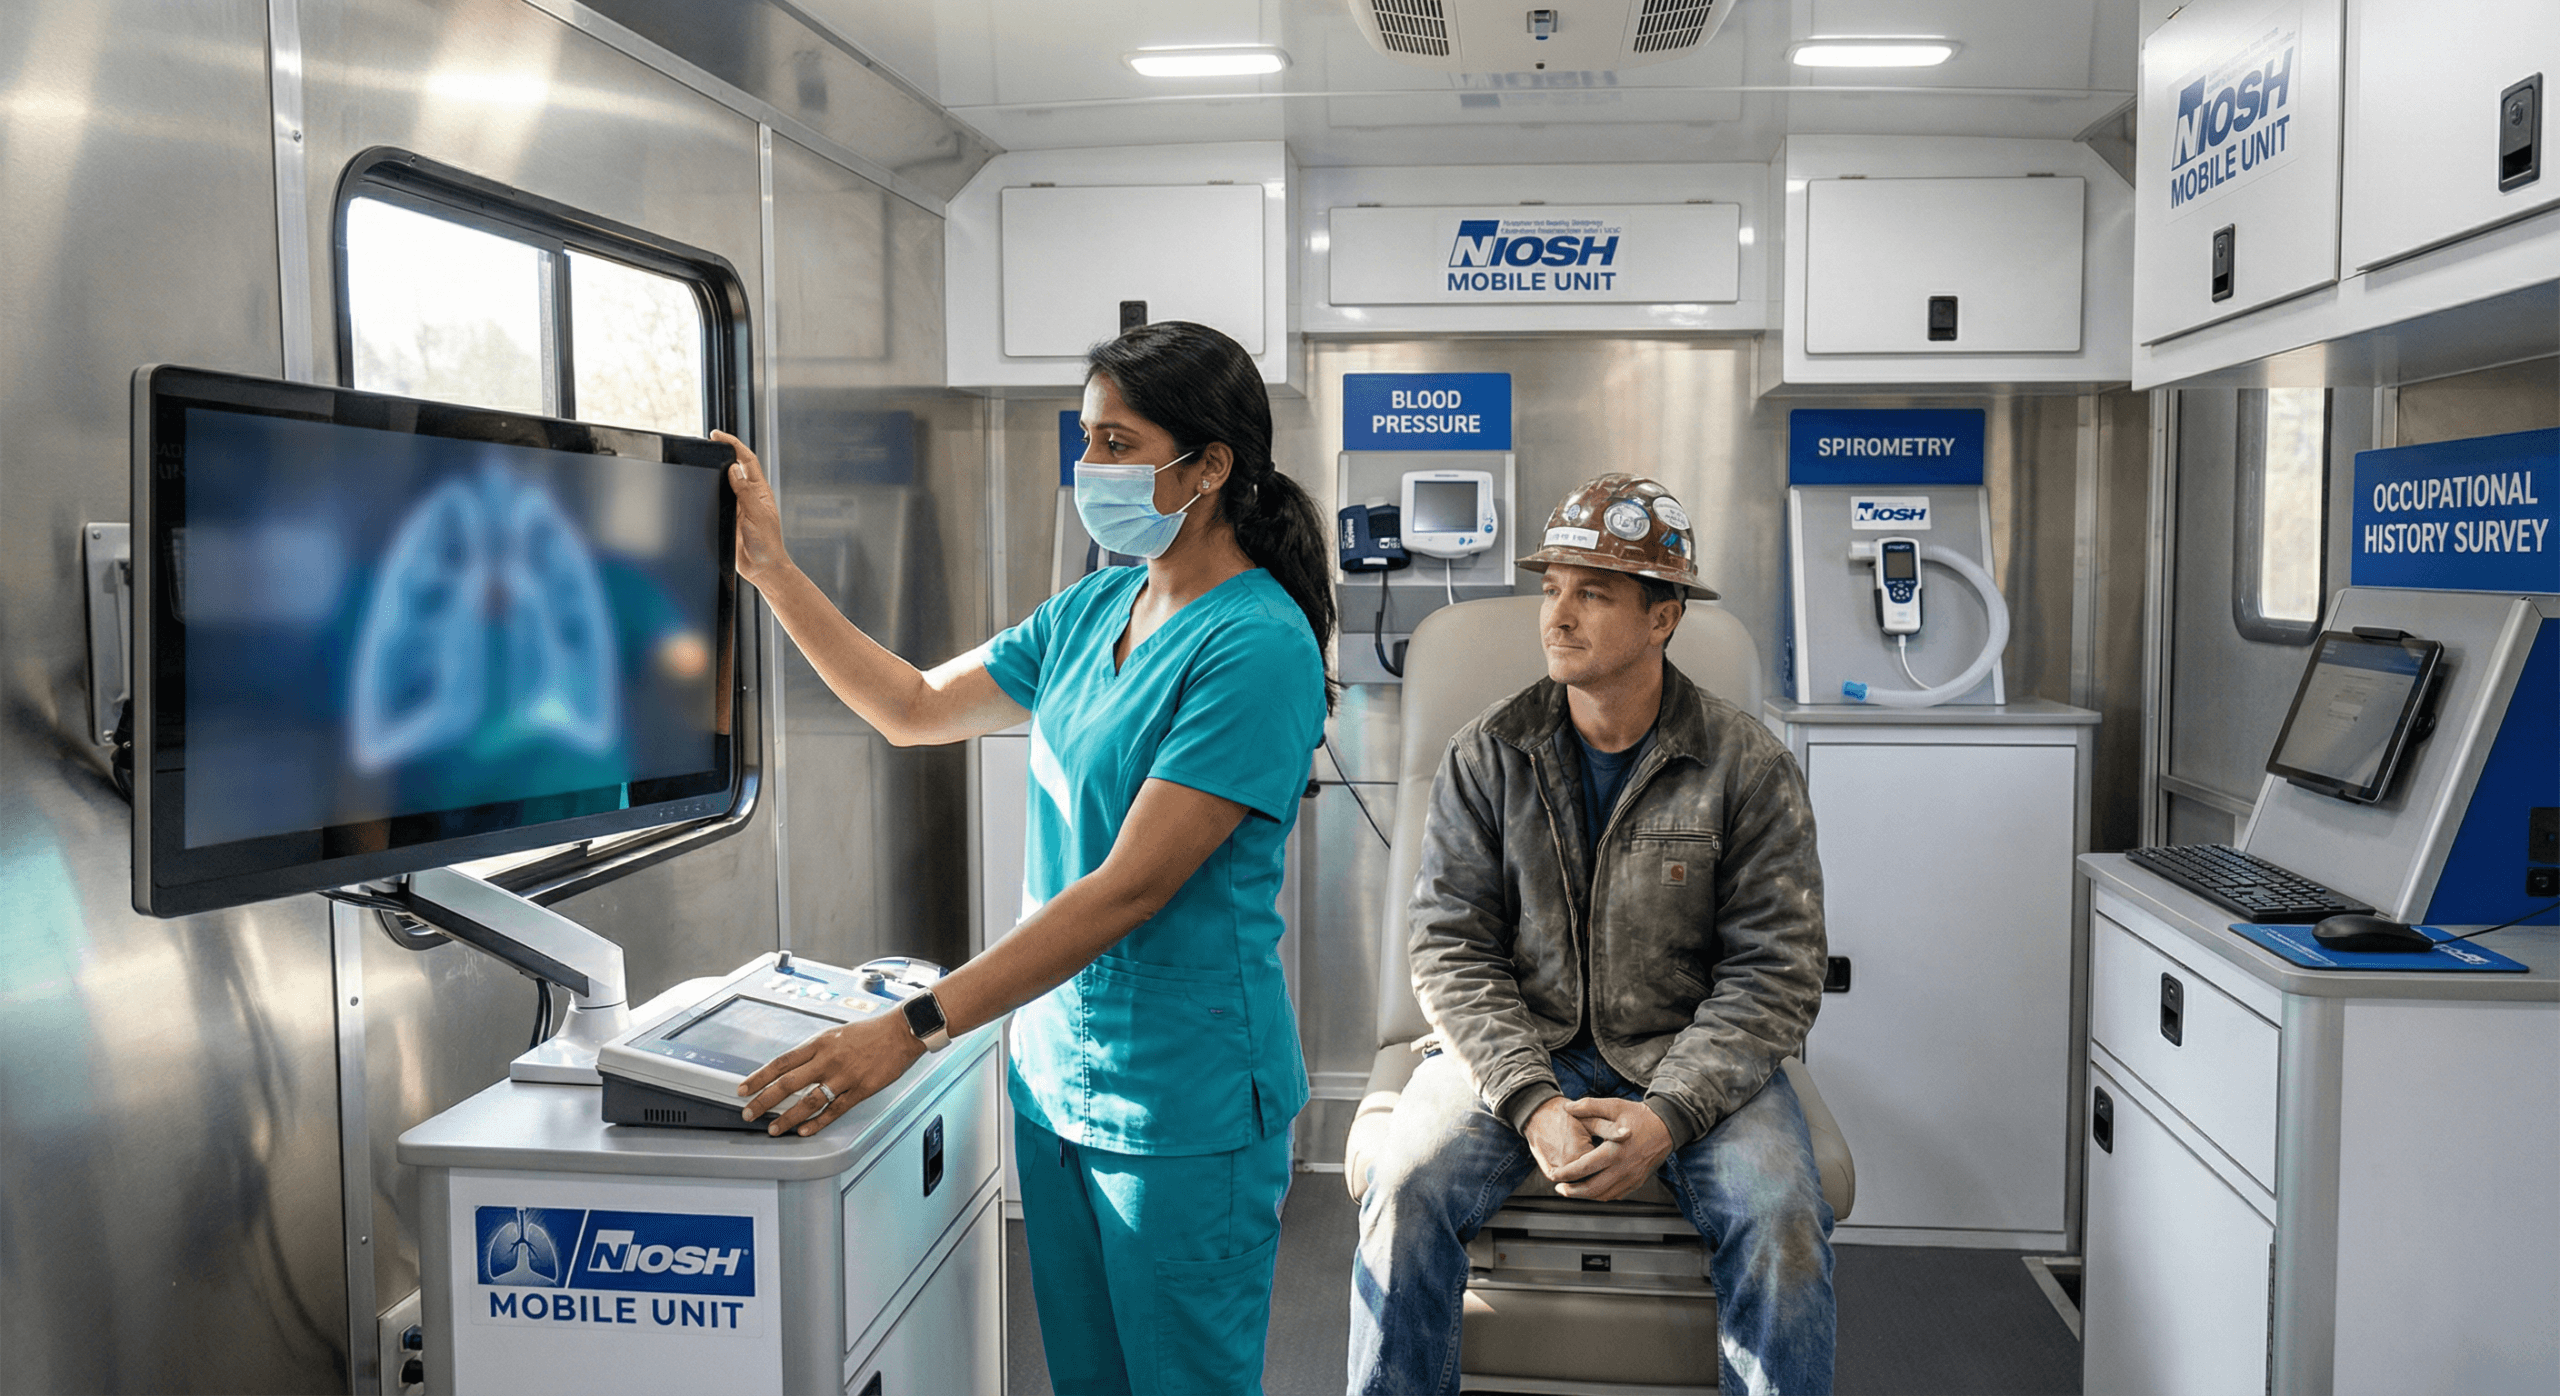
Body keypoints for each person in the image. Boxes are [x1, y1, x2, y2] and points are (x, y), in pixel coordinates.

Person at [716, 321, 1334, 1394]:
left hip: (1179, 1110)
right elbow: (910, 708)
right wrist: (772, 572)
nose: (1087, 469)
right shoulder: (1098, 604)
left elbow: (1127, 887)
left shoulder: (1258, 644)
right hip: (1053, 1081)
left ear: (1211, 465)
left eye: (1113, 442)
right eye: (1084, 441)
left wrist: (912, 1029)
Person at [1349, 474, 1837, 1396]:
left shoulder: (1749, 768)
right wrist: (1530, 1099)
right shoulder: (1486, 755)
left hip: (1688, 1056)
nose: (1558, 616)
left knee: (1781, 1215)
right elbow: (1450, 950)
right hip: (1518, 1047)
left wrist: (1670, 1115)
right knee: (1405, 1185)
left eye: (1594, 592)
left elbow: (1775, 972)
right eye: (1551, 589)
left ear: (1664, 617)